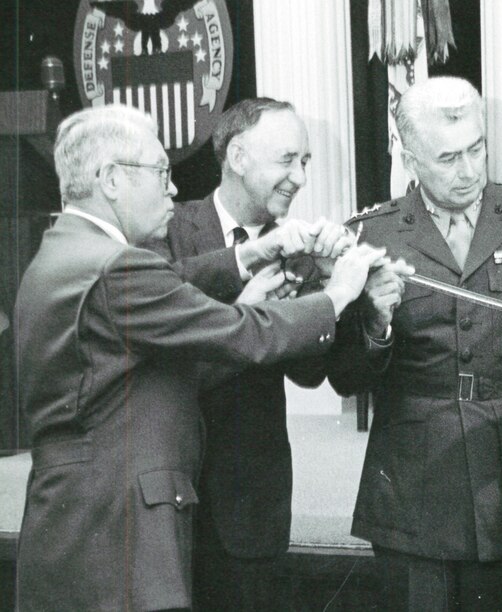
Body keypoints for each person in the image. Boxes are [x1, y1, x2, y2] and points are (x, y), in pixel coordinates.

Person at [13, 104, 386, 611]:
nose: (171, 188)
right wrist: (338, 294)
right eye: (160, 172)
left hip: (85, 515)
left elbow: (175, 284)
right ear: (111, 179)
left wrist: (251, 254)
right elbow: (238, 332)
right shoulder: (114, 266)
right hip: (113, 522)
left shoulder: (67, 249)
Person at [326, 76, 502, 610]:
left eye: (476, 149)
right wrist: (375, 324)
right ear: (409, 160)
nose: (469, 170)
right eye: (448, 157)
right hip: (412, 489)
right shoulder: (369, 237)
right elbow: (345, 377)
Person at [148, 97, 358, 611]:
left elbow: (311, 375)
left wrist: (332, 289)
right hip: (169, 490)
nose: (300, 177)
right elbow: (159, 362)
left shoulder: (300, 251)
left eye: (304, 162)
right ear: (238, 156)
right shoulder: (166, 232)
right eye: (287, 160)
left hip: (253, 500)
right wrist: (246, 313)